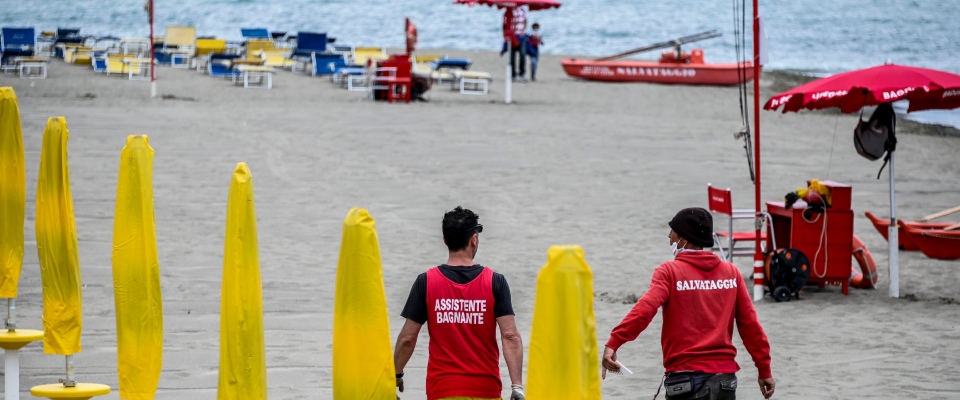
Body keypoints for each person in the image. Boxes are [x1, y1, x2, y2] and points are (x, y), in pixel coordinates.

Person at [601, 207, 776, 400]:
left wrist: (614, 342)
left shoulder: (669, 272)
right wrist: (764, 370)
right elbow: (751, 326)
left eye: (673, 231)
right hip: (725, 381)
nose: (669, 236)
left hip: (683, 380)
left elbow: (645, 309)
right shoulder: (731, 273)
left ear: (685, 238)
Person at [394, 206, 525, 400]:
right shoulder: (495, 282)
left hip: (442, 391)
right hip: (486, 391)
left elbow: (407, 338)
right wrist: (517, 387)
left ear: (445, 240)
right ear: (474, 239)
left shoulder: (427, 281)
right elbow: (510, 336)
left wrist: (395, 374)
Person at [502, 6, 527, 81]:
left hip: (520, 35)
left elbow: (525, 20)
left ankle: (522, 73)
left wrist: (523, 30)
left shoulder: (523, 9)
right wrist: (505, 34)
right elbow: (505, 23)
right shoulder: (509, 10)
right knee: (512, 56)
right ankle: (513, 74)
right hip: (512, 35)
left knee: (522, 55)